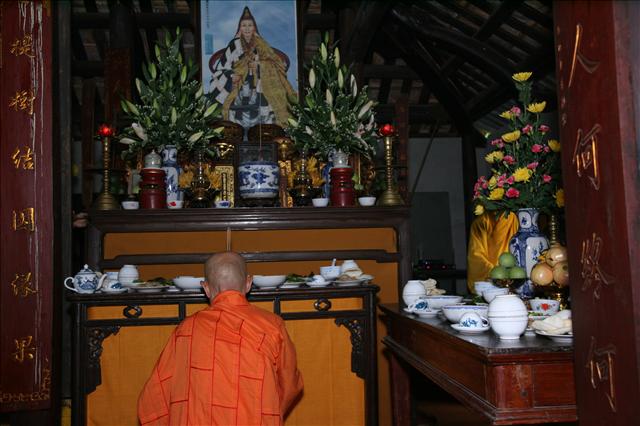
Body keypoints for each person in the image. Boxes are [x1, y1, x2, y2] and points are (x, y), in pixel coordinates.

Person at [138, 252, 303, 425]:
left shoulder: (187, 330)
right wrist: (265, 412)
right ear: (248, 283)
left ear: (206, 288)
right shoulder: (271, 326)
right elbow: (290, 384)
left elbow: (154, 396)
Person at [209, 6, 296, 130]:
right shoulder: (234, 45)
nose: (247, 28)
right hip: (238, 83)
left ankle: (267, 130)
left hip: (260, 82)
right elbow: (221, 68)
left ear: (254, 27)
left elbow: (277, 63)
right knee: (225, 97)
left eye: (250, 25)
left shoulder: (262, 44)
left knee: (273, 95)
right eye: (244, 25)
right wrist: (231, 75)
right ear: (240, 27)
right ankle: (234, 130)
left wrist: (260, 65)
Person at [466, 211, 519, 293]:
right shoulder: (481, 222)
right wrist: (495, 272)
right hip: (489, 283)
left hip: (514, 279)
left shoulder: (516, 219)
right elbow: (476, 256)